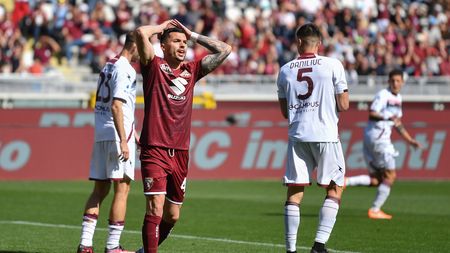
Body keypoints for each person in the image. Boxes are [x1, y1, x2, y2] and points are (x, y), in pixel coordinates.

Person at [134, 19, 231, 253]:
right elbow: (139, 33)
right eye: (176, 41)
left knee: (172, 215)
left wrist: (192, 34)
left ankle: (143, 251)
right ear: (163, 46)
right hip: (154, 148)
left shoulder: (192, 70)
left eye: (184, 42)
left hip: (180, 152)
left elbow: (225, 50)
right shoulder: (153, 66)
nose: (182, 45)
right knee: (155, 207)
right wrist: (160, 28)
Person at [276, 23, 349, 253]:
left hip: (298, 135)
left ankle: (290, 249)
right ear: (320, 43)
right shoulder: (333, 65)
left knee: (295, 191)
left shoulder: (285, 69)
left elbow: (285, 111)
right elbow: (344, 105)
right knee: (335, 188)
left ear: (298, 42)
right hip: (326, 134)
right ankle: (319, 245)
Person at [77, 32, 139, 253]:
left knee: (99, 190)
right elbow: (117, 106)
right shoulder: (126, 69)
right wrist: (124, 139)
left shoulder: (108, 65)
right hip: (116, 135)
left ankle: (85, 245)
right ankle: (113, 247)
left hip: (102, 132)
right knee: (122, 189)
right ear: (135, 46)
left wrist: (134, 132)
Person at [345, 69, 422, 219]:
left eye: (398, 81)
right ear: (388, 81)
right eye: (392, 80)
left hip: (372, 139)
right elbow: (373, 112)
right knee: (391, 175)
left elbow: (397, 124)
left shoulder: (398, 99)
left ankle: (346, 181)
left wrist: (409, 140)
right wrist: (386, 115)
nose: (395, 83)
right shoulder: (383, 95)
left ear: (402, 82)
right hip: (379, 140)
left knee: (376, 180)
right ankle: (375, 209)